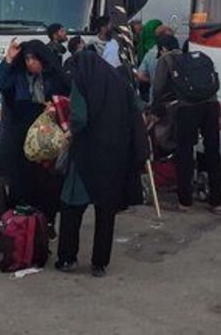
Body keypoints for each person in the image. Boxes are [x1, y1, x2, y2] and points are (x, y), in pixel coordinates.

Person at [56, 52, 143, 277]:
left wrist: (70, 130)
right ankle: (99, 264)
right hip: (114, 155)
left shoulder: (82, 82)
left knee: (71, 206)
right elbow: (137, 110)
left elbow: (79, 118)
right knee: (105, 211)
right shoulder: (121, 83)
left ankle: (67, 258)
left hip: (86, 155)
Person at [0, 38, 69, 235]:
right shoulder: (18, 76)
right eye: (26, 59)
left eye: (34, 59)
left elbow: (67, 97)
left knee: (47, 185)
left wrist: (55, 107)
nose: (30, 63)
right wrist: (9, 59)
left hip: (48, 137)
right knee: (21, 183)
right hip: (20, 135)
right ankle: (19, 227)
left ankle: (46, 224)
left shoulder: (53, 76)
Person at [151, 33, 221, 214]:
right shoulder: (203, 59)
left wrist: (156, 110)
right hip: (211, 105)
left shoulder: (168, 59)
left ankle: (185, 201)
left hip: (187, 108)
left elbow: (158, 88)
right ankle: (217, 201)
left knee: (184, 152)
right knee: (212, 151)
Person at [136, 24, 174, 104]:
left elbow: (140, 75)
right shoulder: (174, 53)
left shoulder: (150, 53)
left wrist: (153, 81)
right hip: (171, 99)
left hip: (154, 98)